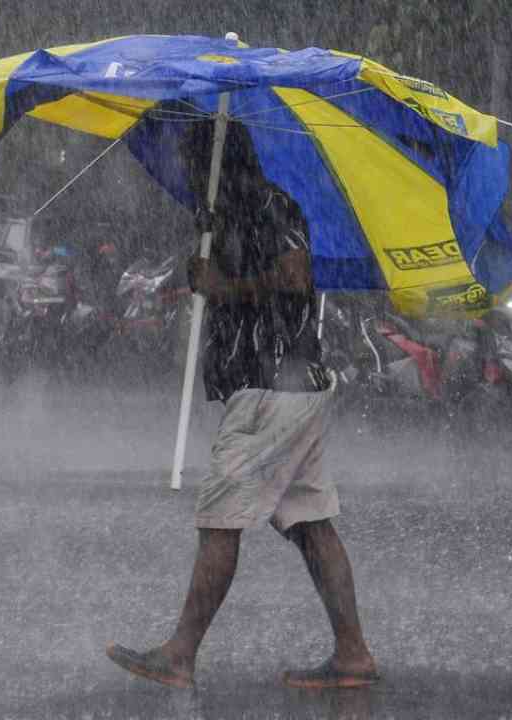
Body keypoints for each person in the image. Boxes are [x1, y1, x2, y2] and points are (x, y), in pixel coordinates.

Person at [106, 123, 379, 690]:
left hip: (270, 389)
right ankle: (352, 653)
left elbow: (296, 276)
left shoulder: (269, 206)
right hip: (285, 387)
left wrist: (225, 287)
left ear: (218, 162)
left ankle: (180, 652)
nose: (185, 172)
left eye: (191, 160)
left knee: (219, 519)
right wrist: (209, 271)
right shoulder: (228, 216)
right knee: (310, 523)